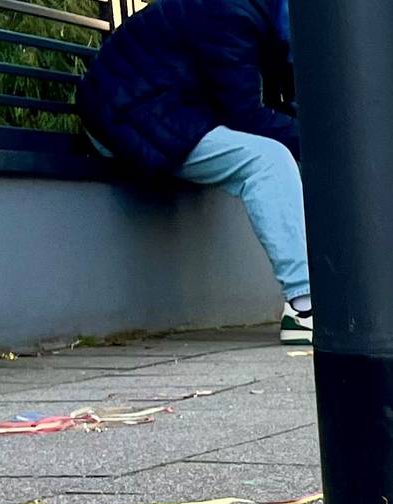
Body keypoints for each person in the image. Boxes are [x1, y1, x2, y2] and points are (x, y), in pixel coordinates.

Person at [78, 0, 309, 343]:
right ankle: (304, 307)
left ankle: (332, 293)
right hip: (131, 117)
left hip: (163, 108)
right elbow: (246, 116)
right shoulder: (231, 10)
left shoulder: (265, 14)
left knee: (300, 152)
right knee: (268, 161)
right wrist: (323, 142)